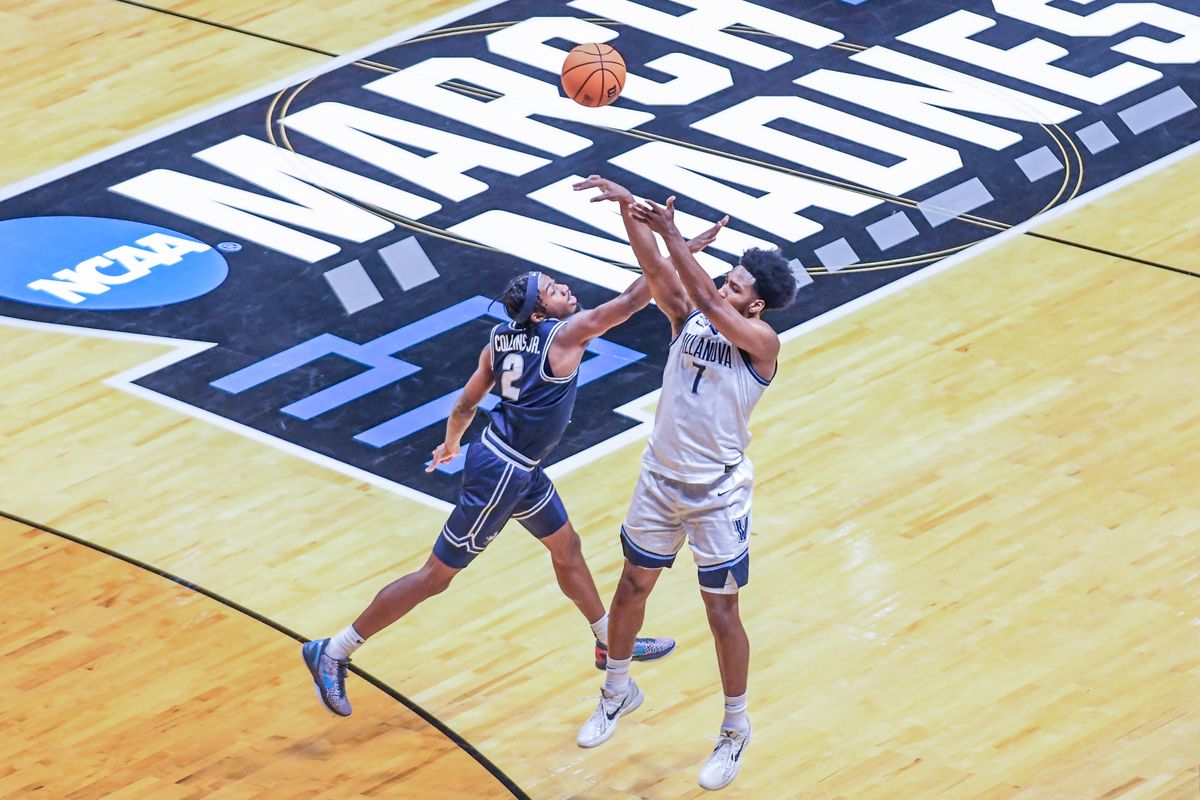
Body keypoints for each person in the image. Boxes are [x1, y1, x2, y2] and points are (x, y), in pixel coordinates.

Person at [301, 206, 727, 719]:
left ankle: (605, 641)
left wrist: (451, 443)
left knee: (566, 547)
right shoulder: (565, 336)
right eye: (552, 288)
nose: (564, 287)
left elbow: (465, 403)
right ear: (541, 313)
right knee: (437, 574)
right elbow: (639, 297)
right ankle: (335, 649)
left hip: (511, 464)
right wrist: (685, 248)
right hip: (503, 470)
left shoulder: (498, 342)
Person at [573, 177, 798, 792]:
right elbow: (660, 276)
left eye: (735, 286)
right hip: (659, 480)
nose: (723, 288)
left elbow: (706, 297)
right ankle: (617, 691)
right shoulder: (690, 318)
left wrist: (675, 235)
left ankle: (734, 729)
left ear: (755, 305)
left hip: (717, 495)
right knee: (631, 588)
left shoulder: (760, 343)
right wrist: (632, 215)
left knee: (721, 612)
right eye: (724, 278)